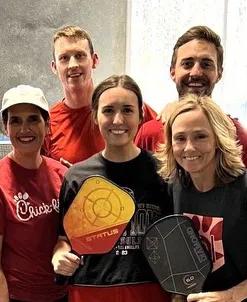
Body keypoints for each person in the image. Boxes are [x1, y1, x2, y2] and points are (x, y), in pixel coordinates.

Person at [158, 94, 247, 302]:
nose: (189, 147)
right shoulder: (177, 187)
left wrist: (233, 296)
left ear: (218, 139)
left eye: (200, 136)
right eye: (180, 138)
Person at [51, 74, 171, 302]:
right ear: (95, 116)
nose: (118, 120)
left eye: (127, 110)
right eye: (108, 111)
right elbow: (64, 239)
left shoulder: (164, 173)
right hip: (89, 291)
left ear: (141, 115)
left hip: (150, 291)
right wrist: (60, 256)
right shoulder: (77, 177)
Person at [0, 85, 68, 302]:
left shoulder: (63, 176)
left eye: (33, 119)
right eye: (15, 121)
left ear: (47, 124)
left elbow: (70, 236)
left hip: (60, 295)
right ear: (6, 127)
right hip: (14, 297)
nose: (25, 129)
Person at [134, 25, 247, 173]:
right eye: (187, 64)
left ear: (219, 73)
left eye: (206, 64)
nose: (196, 72)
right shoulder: (149, 134)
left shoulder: (243, 141)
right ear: (172, 72)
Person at [44, 25, 158, 165]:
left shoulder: (128, 108)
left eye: (80, 56)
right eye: (64, 58)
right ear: (54, 67)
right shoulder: (47, 124)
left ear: (95, 60)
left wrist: (173, 109)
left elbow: (166, 134)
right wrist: (73, 177)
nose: (72, 65)